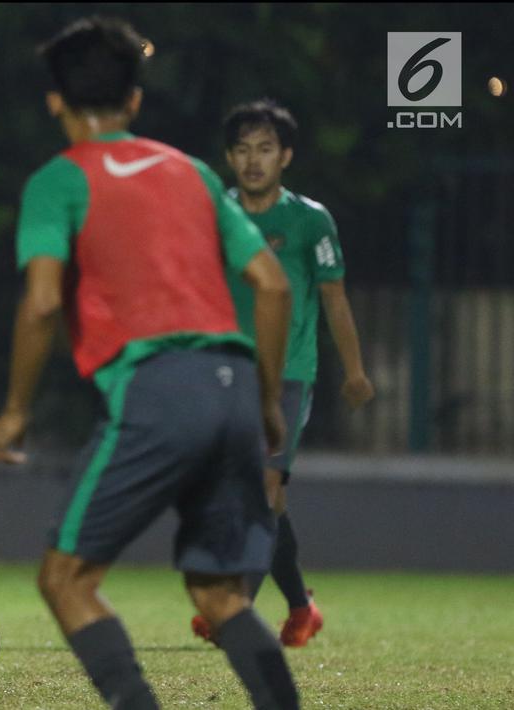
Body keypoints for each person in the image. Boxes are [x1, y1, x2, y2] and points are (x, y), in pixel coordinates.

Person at [0, 17, 300, 709]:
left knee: (65, 579)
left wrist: (13, 410)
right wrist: (268, 402)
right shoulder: (189, 172)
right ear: (133, 102)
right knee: (220, 593)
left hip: (156, 390)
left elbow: (40, 302)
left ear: (54, 103)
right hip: (234, 385)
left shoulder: (56, 181)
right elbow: (272, 285)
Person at [189, 99, 374, 648]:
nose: (253, 160)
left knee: (264, 485)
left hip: (288, 374)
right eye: (243, 150)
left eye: (265, 149)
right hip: (225, 374)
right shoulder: (216, 214)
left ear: (285, 156)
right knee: (258, 499)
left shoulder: (310, 220)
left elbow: (334, 299)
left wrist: (355, 370)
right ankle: (300, 607)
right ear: (229, 157)